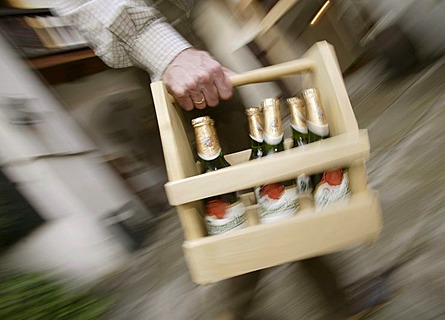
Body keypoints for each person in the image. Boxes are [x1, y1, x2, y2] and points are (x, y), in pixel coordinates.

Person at [53, 1, 390, 319]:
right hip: (167, 53)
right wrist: (170, 53)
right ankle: (335, 302)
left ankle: (265, 307)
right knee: (262, 188)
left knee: (253, 195)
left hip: (181, 39)